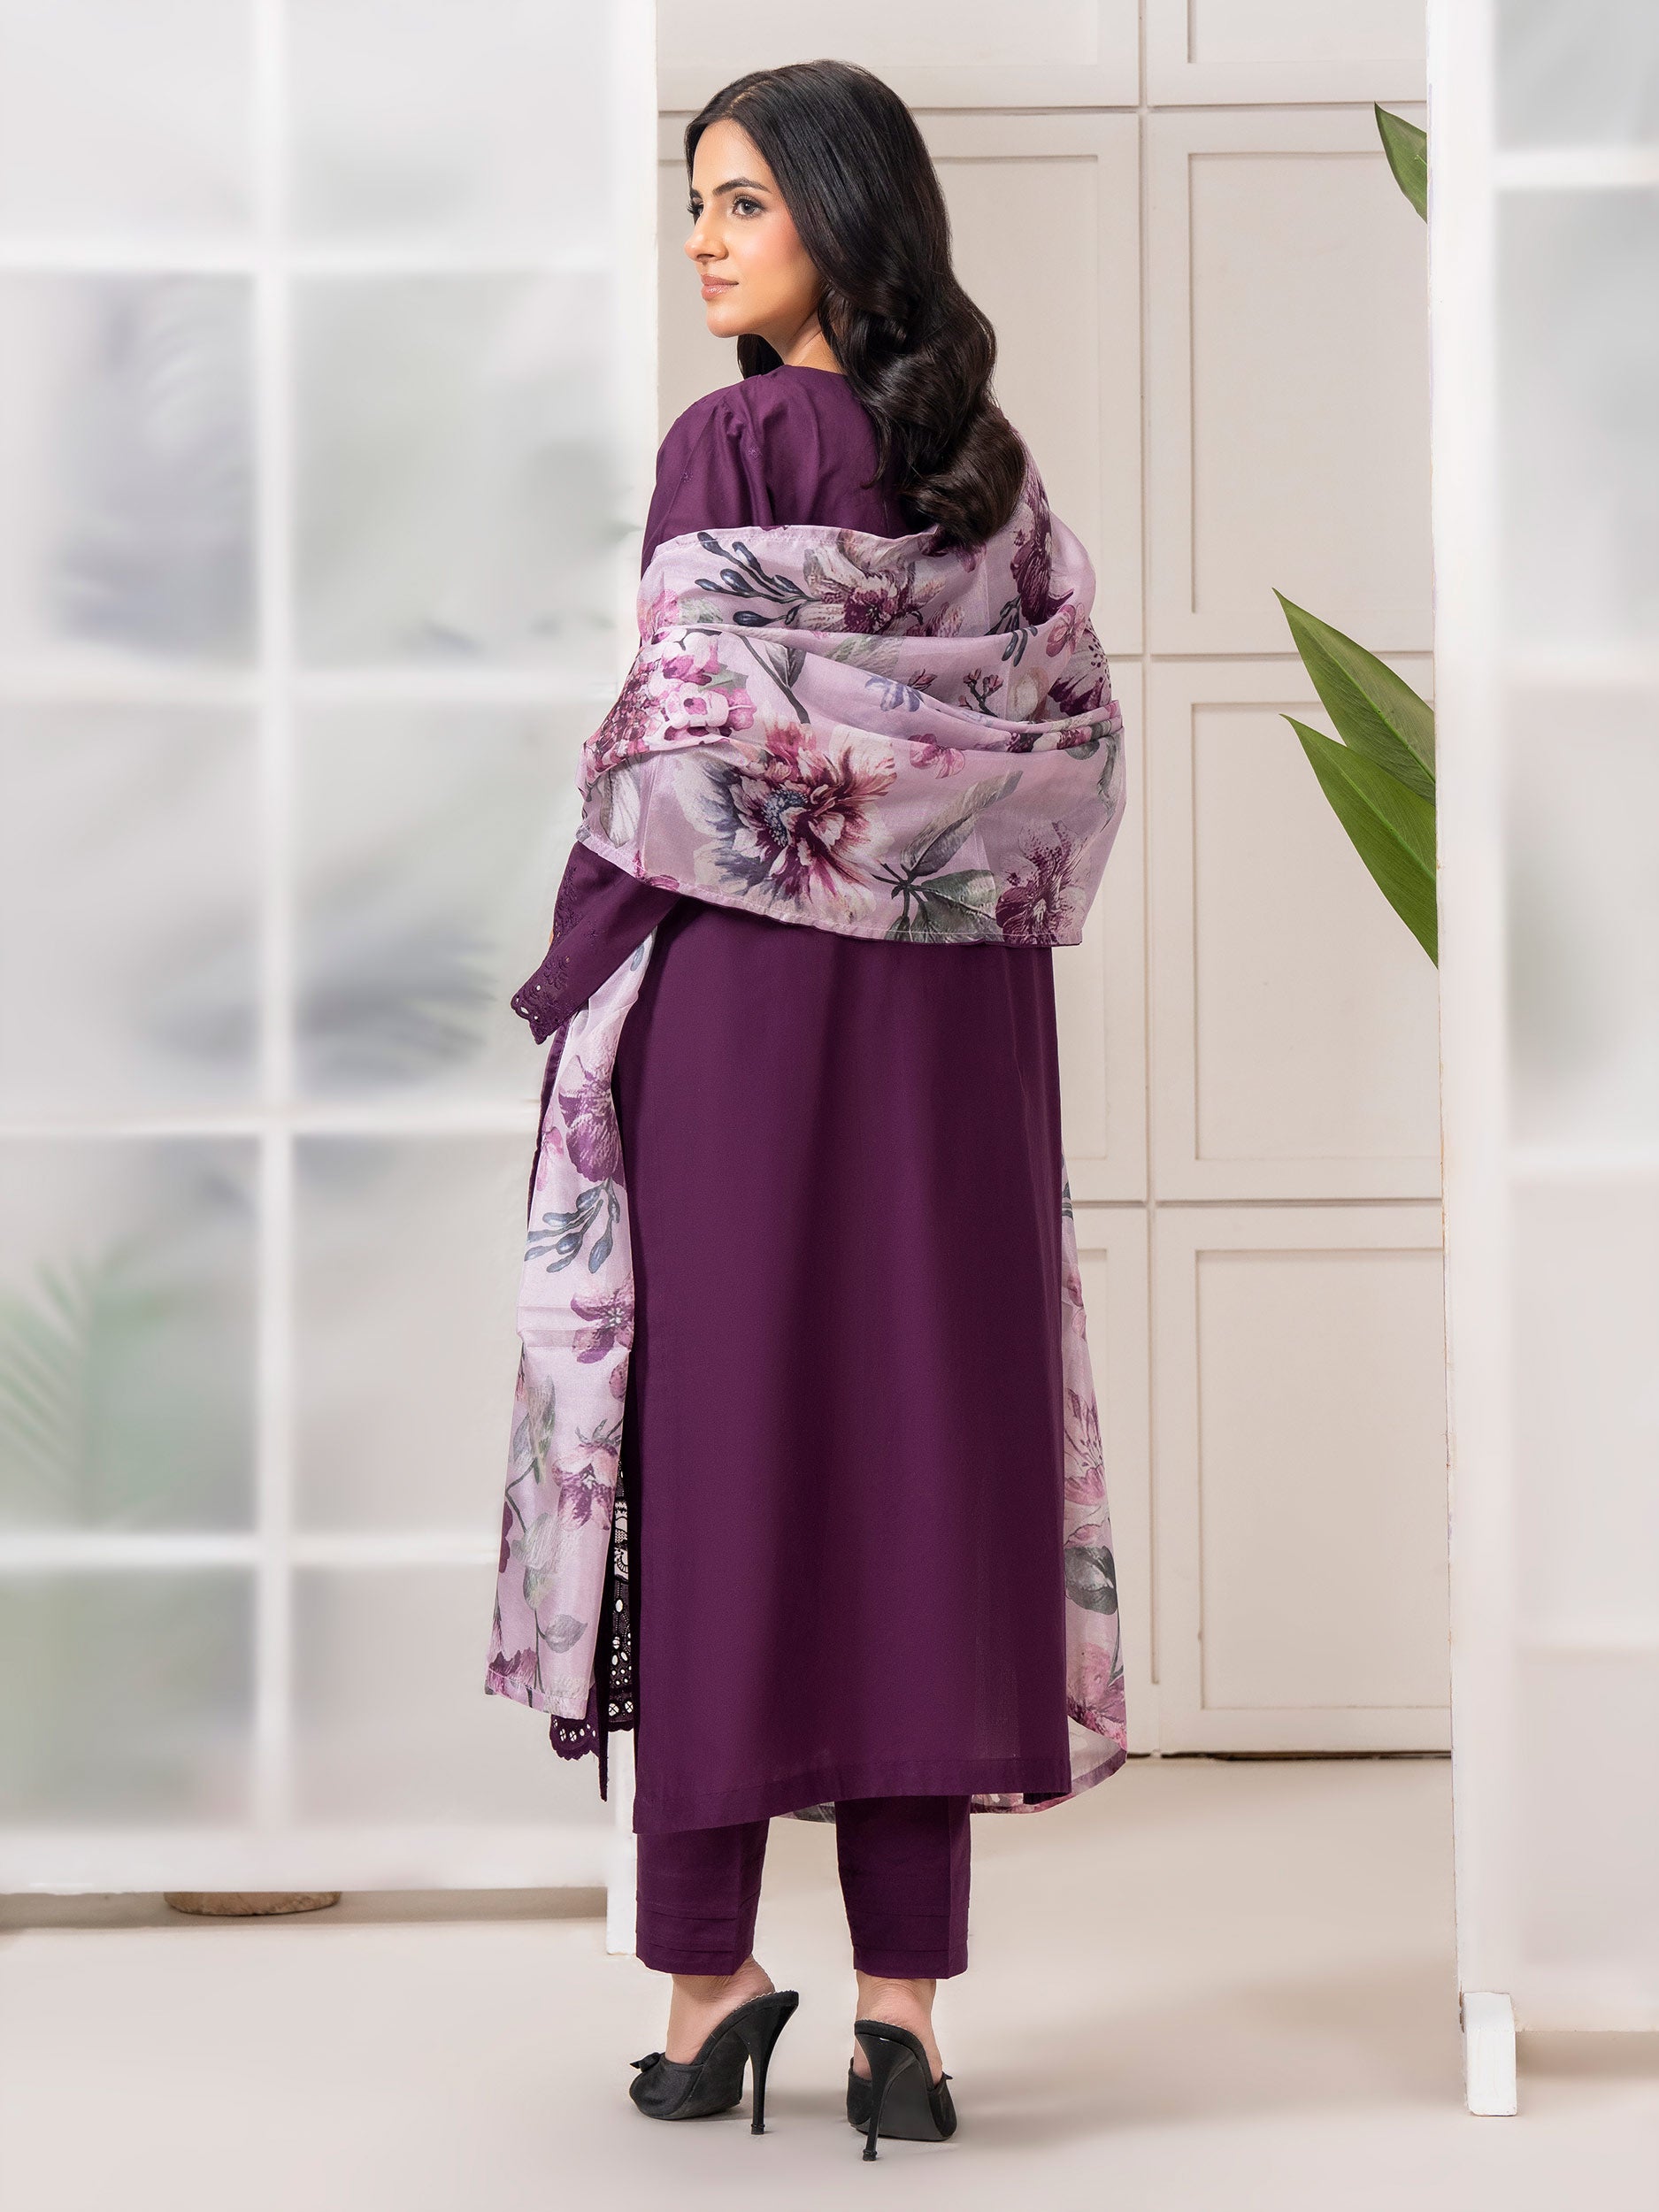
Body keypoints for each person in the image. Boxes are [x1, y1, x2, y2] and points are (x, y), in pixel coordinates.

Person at [488, 58, 1126, 2155]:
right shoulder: (991, 480)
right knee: (926, 1460)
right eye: (696, 201)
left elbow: (675, 758)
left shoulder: (732, 442)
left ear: (845, 217)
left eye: (742, 201)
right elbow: (1063, 763)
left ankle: (706, 1983)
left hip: (749, 1018)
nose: (701, 239)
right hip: (957, 1035)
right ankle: (901, 2017)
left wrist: (567, 979)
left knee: (719, 1460)